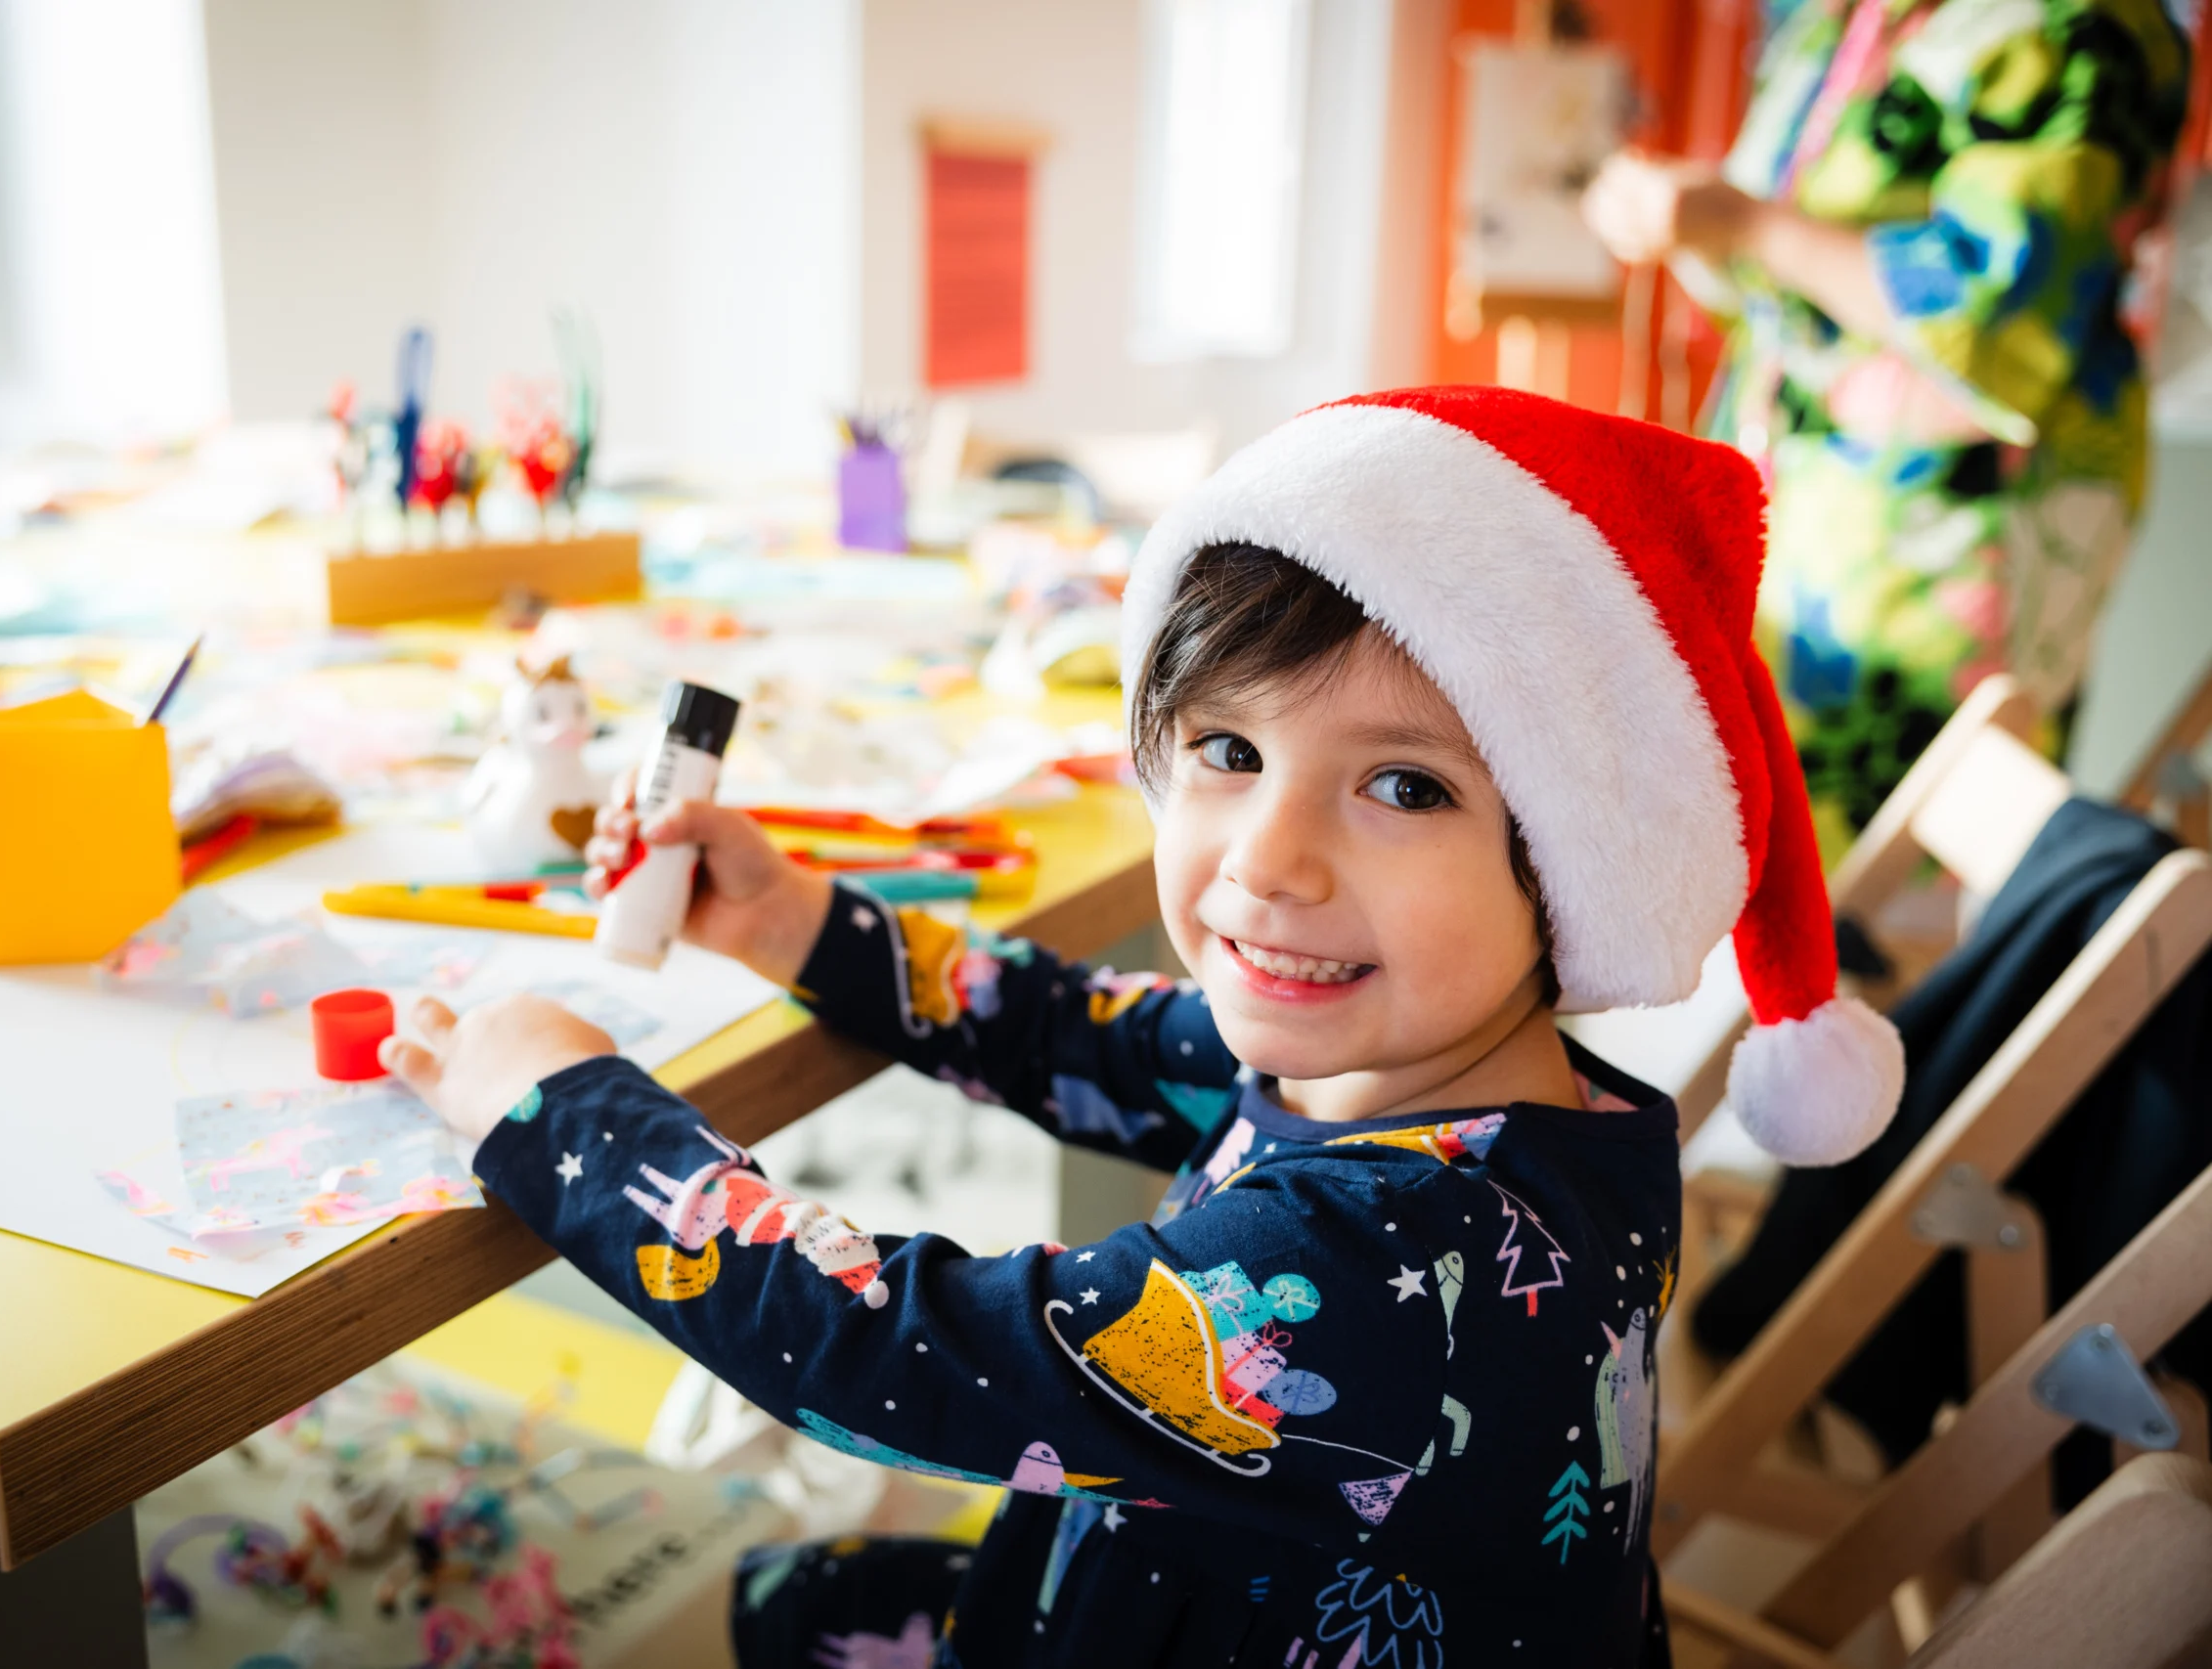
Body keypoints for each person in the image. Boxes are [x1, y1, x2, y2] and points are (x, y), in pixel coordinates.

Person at [380, 388, 1904, 1668]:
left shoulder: (1387, 1255)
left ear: (1571, 862)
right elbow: (1082, 1032)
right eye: (1229, 748)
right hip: (1163, 1582)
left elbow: (889, 1351)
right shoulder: (1465, 1078)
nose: (1264, 859)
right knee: (776, 1601)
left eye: (1404, 785)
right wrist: (795, 921)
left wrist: (564, 1105)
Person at [1582, 0, 2190, 844]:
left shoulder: (2079, 25)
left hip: (1953, 525)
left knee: (1890, 869)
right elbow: (1781, 287)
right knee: (1752, 826)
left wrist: (1743, 222)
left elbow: (2000, 312)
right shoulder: (1845, 21)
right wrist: (1688, 223)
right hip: (1792, 502)